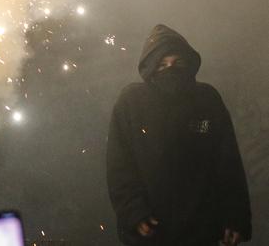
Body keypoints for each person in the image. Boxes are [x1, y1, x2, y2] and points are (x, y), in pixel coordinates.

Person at [106, 24, 252, 245]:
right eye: (162, 65)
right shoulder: (132, 103)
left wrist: (235, 216)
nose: (170, 70)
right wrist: (134, 212)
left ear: (188, 64)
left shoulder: (206, 100)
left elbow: (227, 163)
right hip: (151, 231)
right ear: (151, 68)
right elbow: (119, 166)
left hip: (201, 229)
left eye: (177, 63)